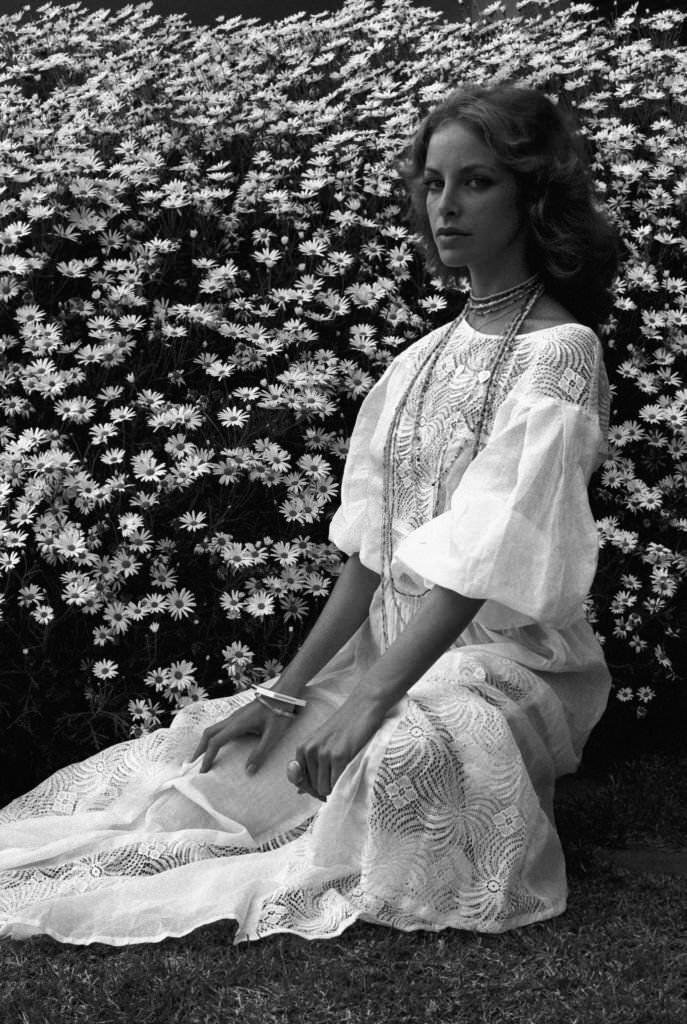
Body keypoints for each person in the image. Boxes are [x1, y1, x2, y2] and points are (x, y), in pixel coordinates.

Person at [0, 82, 618, 945]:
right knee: (193, 796)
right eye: (432, 184)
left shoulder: (560, 356)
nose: (445, 207)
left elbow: (482, 563)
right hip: (386, 653)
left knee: (396, 756)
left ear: (531, 193)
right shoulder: (417, 359)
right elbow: (371, 553)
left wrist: (368, 705)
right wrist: (284, 697)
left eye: (474, 182)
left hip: (496, 667)